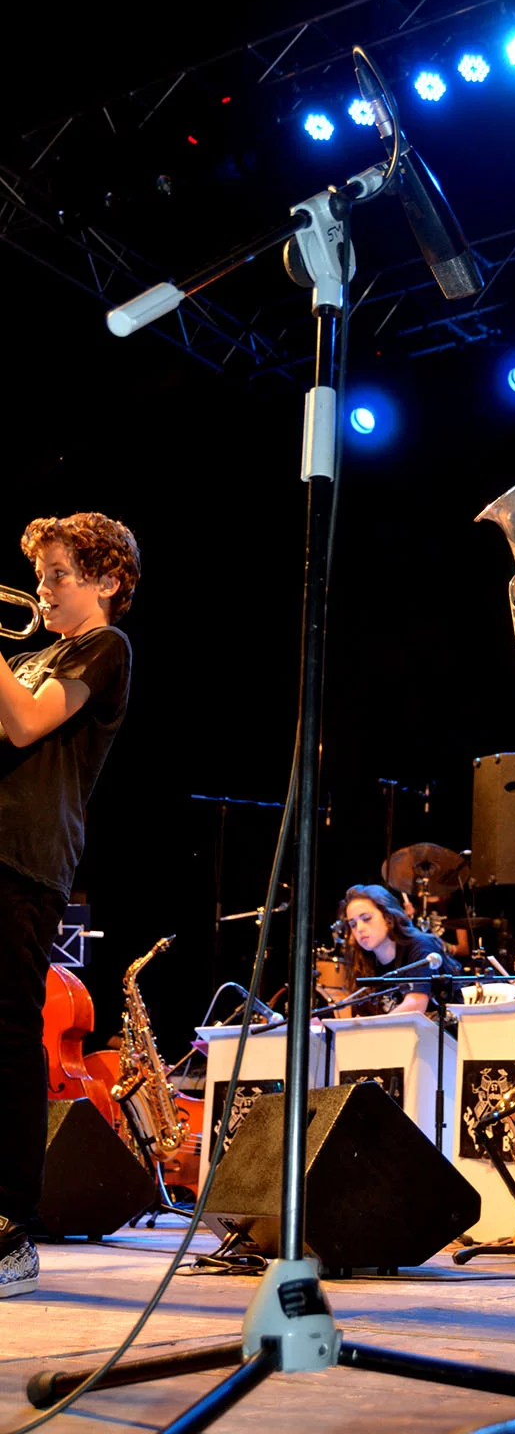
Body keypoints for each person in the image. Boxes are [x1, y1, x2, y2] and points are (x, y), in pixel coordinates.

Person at [0, 512, 140, 1299]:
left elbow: (24, 727)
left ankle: (8, 1230)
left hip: (23, 859)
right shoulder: (29, 656)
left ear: (108, 581)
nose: (44, 589)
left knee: (8, 1039)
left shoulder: (104, 648)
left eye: (59, 574)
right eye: (44, 574)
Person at [340, 884, 464, 1016]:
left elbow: (416, 1005)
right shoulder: (363, 961)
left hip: (443, 1033)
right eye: (353, 924)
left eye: (366, 919)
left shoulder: (420, 946)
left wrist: (373, 1029)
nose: (359, 928)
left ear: (388, 917)